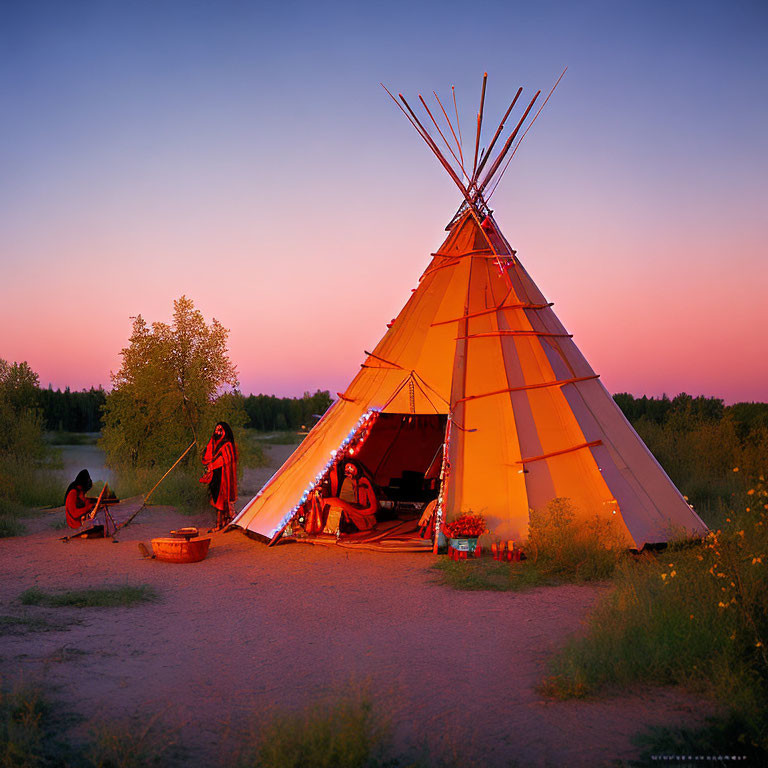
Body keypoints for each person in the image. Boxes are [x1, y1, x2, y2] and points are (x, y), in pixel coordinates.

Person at [200, 421, 238, 531]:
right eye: (216, 429)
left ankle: (220, 525)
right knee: (216, 500)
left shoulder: (228, 444)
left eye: (220, 430)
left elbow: (226, 459)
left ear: (225, 431)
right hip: (214, 477)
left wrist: (213, 465)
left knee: (221, 501)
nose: (218, 432)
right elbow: (208, 456)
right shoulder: (214, 443)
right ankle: (219, 524)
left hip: (223, 477)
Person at [322, 462, 378, 532]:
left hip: (362, 512)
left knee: (332, 501)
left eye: (350, 467)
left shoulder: (364, 480)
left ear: (356, 467)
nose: (348, 470)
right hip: (354, 509)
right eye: (346, 468)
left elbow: (373, 508)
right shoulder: (349, 480)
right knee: (332, 502)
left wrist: (357, 512)